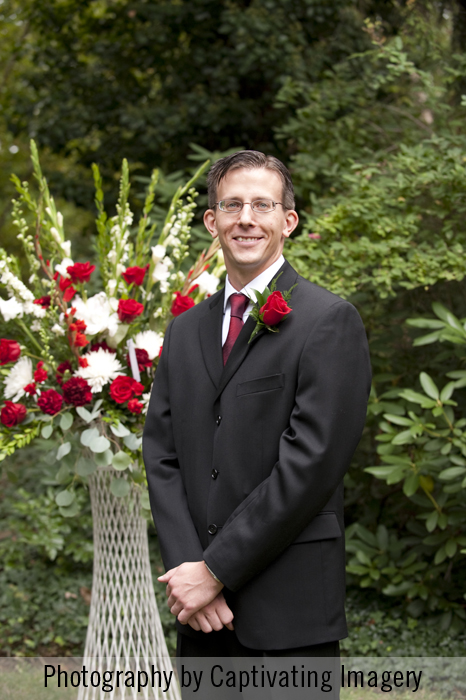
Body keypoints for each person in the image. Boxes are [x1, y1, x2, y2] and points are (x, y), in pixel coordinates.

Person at [143, 151, 371, 673]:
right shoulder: (183, 331)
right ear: (212, 221)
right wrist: (189, 572)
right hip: (201, 615)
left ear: (287, 221)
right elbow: (161, 453)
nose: (246, 218)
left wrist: (216, 570)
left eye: (262, 205)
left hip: (288, 612)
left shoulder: (328, 321)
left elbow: (310, 466)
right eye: (232, 205)